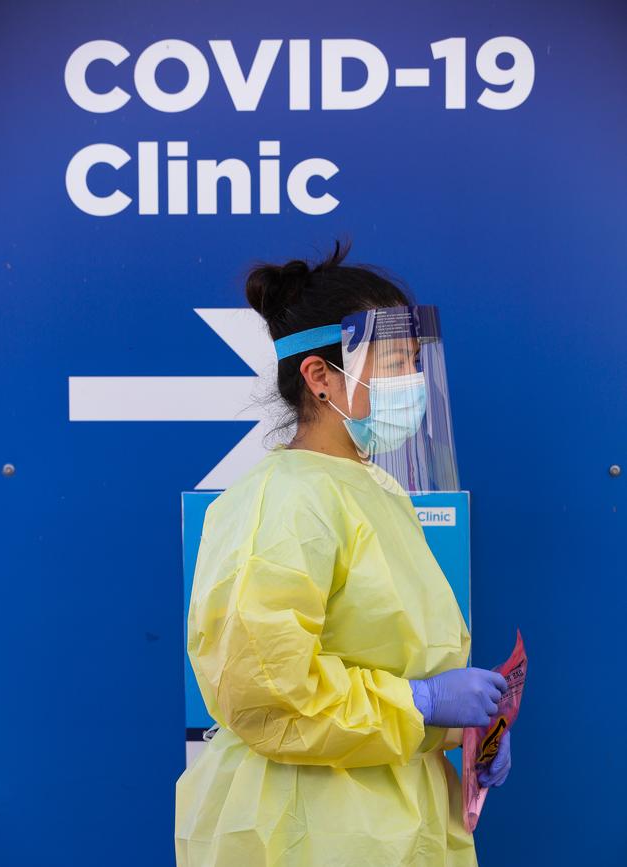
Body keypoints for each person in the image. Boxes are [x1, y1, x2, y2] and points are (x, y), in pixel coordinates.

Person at [174, 239, 511, 867]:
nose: (410, 382)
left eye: (415, 363)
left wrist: (461, 726)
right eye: (392, 364)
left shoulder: (376, 489)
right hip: (303, 828)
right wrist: (424, 701)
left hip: (393, 823)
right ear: (320, 376)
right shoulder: (279, 501)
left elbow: (379, 656)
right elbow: (266, 692)